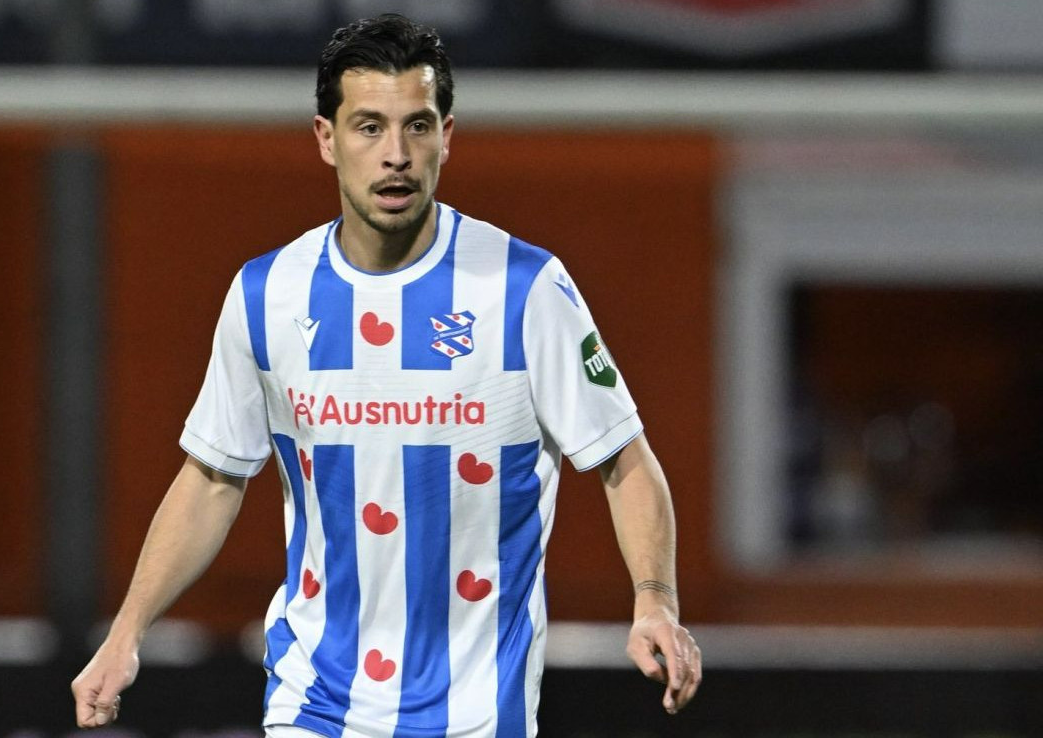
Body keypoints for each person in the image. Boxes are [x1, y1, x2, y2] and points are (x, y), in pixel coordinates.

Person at [72, 13, 701, 736]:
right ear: (326, 138)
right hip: (316, 702)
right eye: (369, 127)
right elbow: (213, 477)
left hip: (478, 713)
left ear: (447, 136)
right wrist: (125, 634)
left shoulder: (524, 289)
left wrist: (655, 599)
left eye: (417, 126)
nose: (396, 154)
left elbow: (624, 458)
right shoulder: (268, 294)